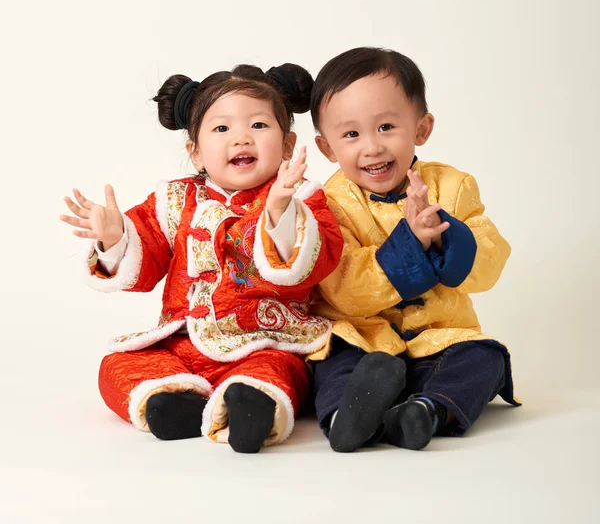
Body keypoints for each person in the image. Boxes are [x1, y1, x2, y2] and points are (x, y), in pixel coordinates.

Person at [60, 63, 342, 453]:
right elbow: (144, 264)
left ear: (289, 146)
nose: (241, 138)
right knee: (116, 365)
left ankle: (251, 406)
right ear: (195, 152)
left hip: (266, 341)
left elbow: (316, 262)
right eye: (222, 129)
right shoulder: (173, 201)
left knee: (283, 371)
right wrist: (114, 239)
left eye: (259, 126)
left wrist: (280, 211)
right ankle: (172, 400)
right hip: (181, 343)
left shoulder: (302, 198)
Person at [308, 47, 520, 452]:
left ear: (422, 128)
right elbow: (347, 291)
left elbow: (491, 262)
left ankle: (424, 411)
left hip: (436, 340)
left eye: (386, 126)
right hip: (365, 340)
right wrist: (410, 242)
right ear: (327, 149)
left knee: (486, 357)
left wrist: (442, 233)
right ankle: (345, 418)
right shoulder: (328, 205)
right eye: (351, 134)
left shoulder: (452, 187)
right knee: (331, 358)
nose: (371, 147)